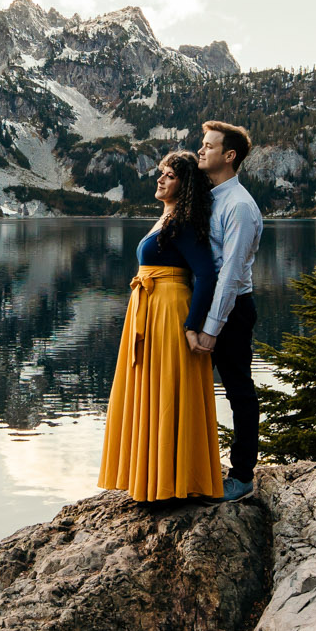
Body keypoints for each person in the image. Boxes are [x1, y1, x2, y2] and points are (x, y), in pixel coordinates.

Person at [98, 150, 227, 503]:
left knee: (168, 389)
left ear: (183, 186)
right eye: (162, 173)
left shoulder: (183, 222)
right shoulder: (168, 217)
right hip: (150, 307)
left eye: (169, 175)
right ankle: (156, 478)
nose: (160, 179)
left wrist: (192, 326)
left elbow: (206, 275)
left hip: (169, 310)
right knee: (154, 388)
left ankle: (171, 483)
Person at [191, 120, 263, 502]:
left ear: (229, 156)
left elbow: (232, 274)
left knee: (239, 392)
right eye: (202, 145)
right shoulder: (211, 196)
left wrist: (212, 328)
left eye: (208, 146)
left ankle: (242, 476)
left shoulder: (239, 206)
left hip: (232, 311)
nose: (201, 150)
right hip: (206, 309)